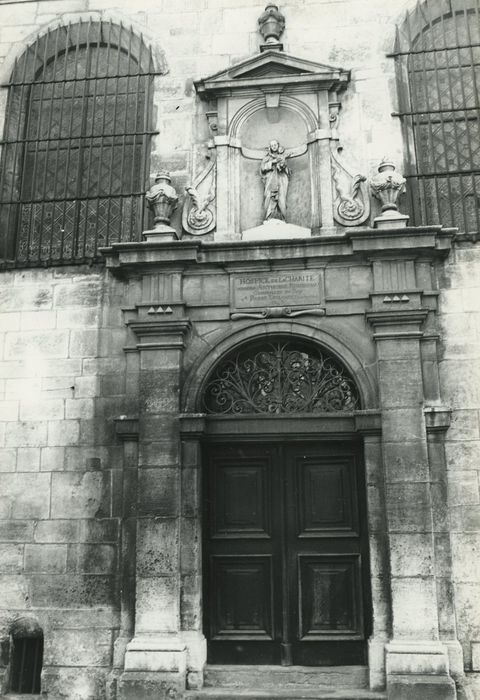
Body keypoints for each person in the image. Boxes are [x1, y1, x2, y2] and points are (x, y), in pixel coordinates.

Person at [261, 139, 290, 221]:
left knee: (281, 198)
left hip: (281, 179)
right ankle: (269, 217)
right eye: (272, 145)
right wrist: (273, 162)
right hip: (270, 180)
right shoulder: (266, 158)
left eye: (275, 145)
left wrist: (282, 165)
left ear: (278, 146)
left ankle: (282, 218)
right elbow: (263, 168)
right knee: (270, 197)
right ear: (270, 147)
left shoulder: (282, 157)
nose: (274, 147)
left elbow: (286, 169)